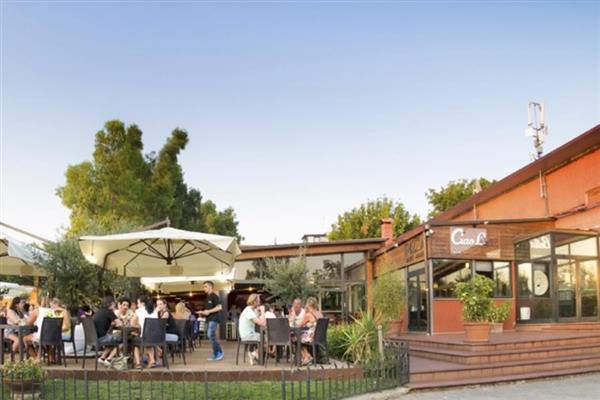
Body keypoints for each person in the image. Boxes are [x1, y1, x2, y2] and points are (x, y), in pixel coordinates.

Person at [196, 281, 223, 361]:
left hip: (214, 319)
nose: (204, 288)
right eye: (204, 286)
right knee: (211, 336)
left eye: (205, 286)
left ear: (210, 287)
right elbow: (208, 311)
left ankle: (219, 353)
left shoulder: (214, 296)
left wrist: (208, 311)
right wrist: (202, 312)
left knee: (210, 335)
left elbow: (219, 307)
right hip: (209, 319)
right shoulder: (208, 297)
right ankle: (217, 353)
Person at [92, 295, 123, 367]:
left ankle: (102, 358)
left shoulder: (98, 312)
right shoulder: (109, 312)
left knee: (113, 339)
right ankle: (109, 359)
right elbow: (120, 324)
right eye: (114, 304)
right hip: (102, 339)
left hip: (94, 338)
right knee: (123, 340)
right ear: (112, 304)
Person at [238, 293, 266, 365]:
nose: (259, 303)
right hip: (246, 335)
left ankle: (254, 353)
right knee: (265, 338)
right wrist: (263, 311)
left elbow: (260, 320)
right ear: (254, 302)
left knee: (265, 337)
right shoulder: (248, 311)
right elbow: (262, 323)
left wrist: (259, 312)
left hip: (250, 333)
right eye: (258, 301)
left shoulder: (252, 310)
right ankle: (254, 354)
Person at [133, 295, 158, 368]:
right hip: (157, 337)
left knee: (135, 343)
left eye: (138, 303)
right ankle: (152, 361)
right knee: (148, 343)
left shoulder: (139, 311)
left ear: (143, 303)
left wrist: (138, 324)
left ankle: (138, 363)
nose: (137, 305)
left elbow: (132, 323)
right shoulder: (154, 311)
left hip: (146, 337)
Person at [297, 297, 323, 365]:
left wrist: (305, 312)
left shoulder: (308, 314)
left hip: (312, 337)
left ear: (308, 305)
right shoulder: (319, 313)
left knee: (295, 339)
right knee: (300, 338)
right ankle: (307, 356)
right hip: (319, 336)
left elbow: (299, 325)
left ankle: (306, 357)